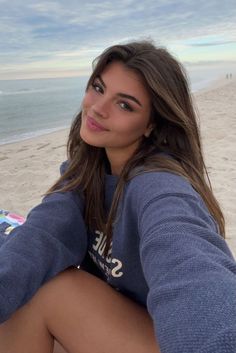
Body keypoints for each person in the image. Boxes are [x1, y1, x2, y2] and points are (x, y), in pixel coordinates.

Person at [0, 40, 236, 353]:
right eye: (98, 87)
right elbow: (43, 233)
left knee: (51, 289)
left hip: (169, 338)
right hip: (125, 324)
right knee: (27, 274)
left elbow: (191, 268)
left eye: (125, 105)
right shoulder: (87, 171)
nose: (98, 107)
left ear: (152, 124)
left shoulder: (160, 187)